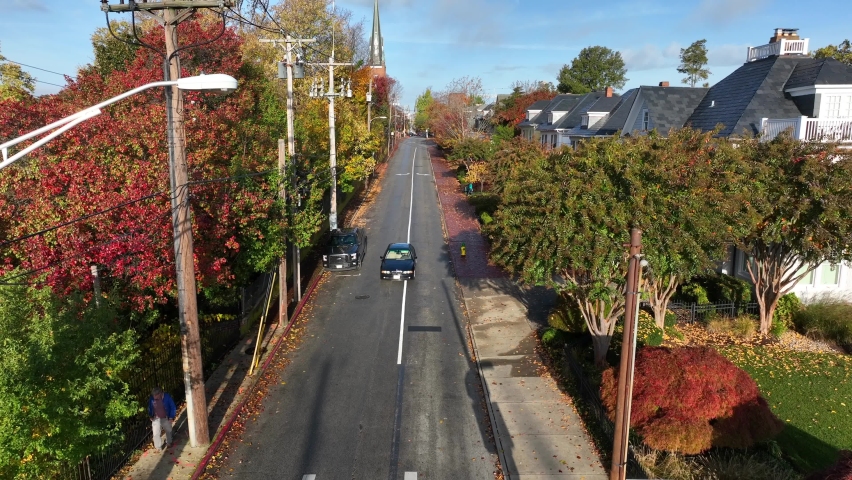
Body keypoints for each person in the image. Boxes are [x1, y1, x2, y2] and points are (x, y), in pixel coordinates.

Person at [148, 387, 176, 452]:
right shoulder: (152, 399)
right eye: (153, 395)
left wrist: (171, 417)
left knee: (168, 430)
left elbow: (173, 407)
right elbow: (150, 407)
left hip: (165, 417)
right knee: (155, 433)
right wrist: (150, 415)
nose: (154, 397)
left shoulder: (167, 397)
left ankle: (169, 442)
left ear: (160, 394)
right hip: (156, 418)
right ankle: (158, 447)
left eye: (155, 395)